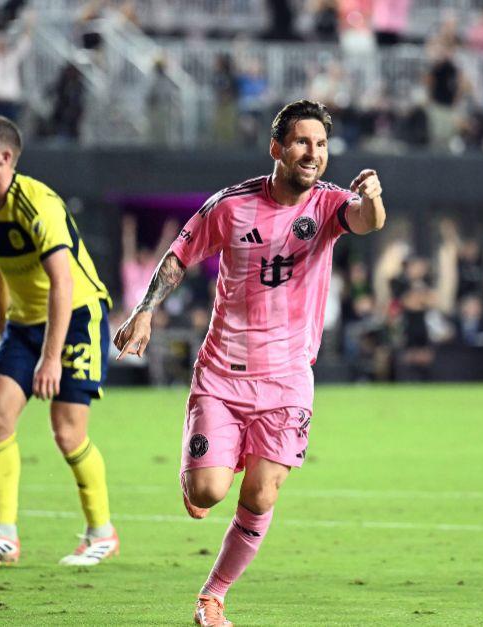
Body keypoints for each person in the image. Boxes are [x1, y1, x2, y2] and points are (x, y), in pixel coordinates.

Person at [113, 99, 386, 625]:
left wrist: (374, 198)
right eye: (303, 142)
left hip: (287, 379)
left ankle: (213, 595)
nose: (314, 153)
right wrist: (145, 311)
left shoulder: (330, 204)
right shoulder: (230, 206)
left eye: (322, 144)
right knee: (208, 491)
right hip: (223, 375)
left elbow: (367, 221)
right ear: (276, 148)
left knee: (261, 492)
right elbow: (177, 257)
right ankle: (209, 464)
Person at [0, 115, 119, 566]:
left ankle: (101, 533)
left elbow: (63, 282)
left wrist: (51, 358)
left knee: (67, 433)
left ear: (6, 158)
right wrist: (1, 324)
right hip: (24, 322)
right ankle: (5, 535)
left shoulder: (37, 203)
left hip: (77, 315)